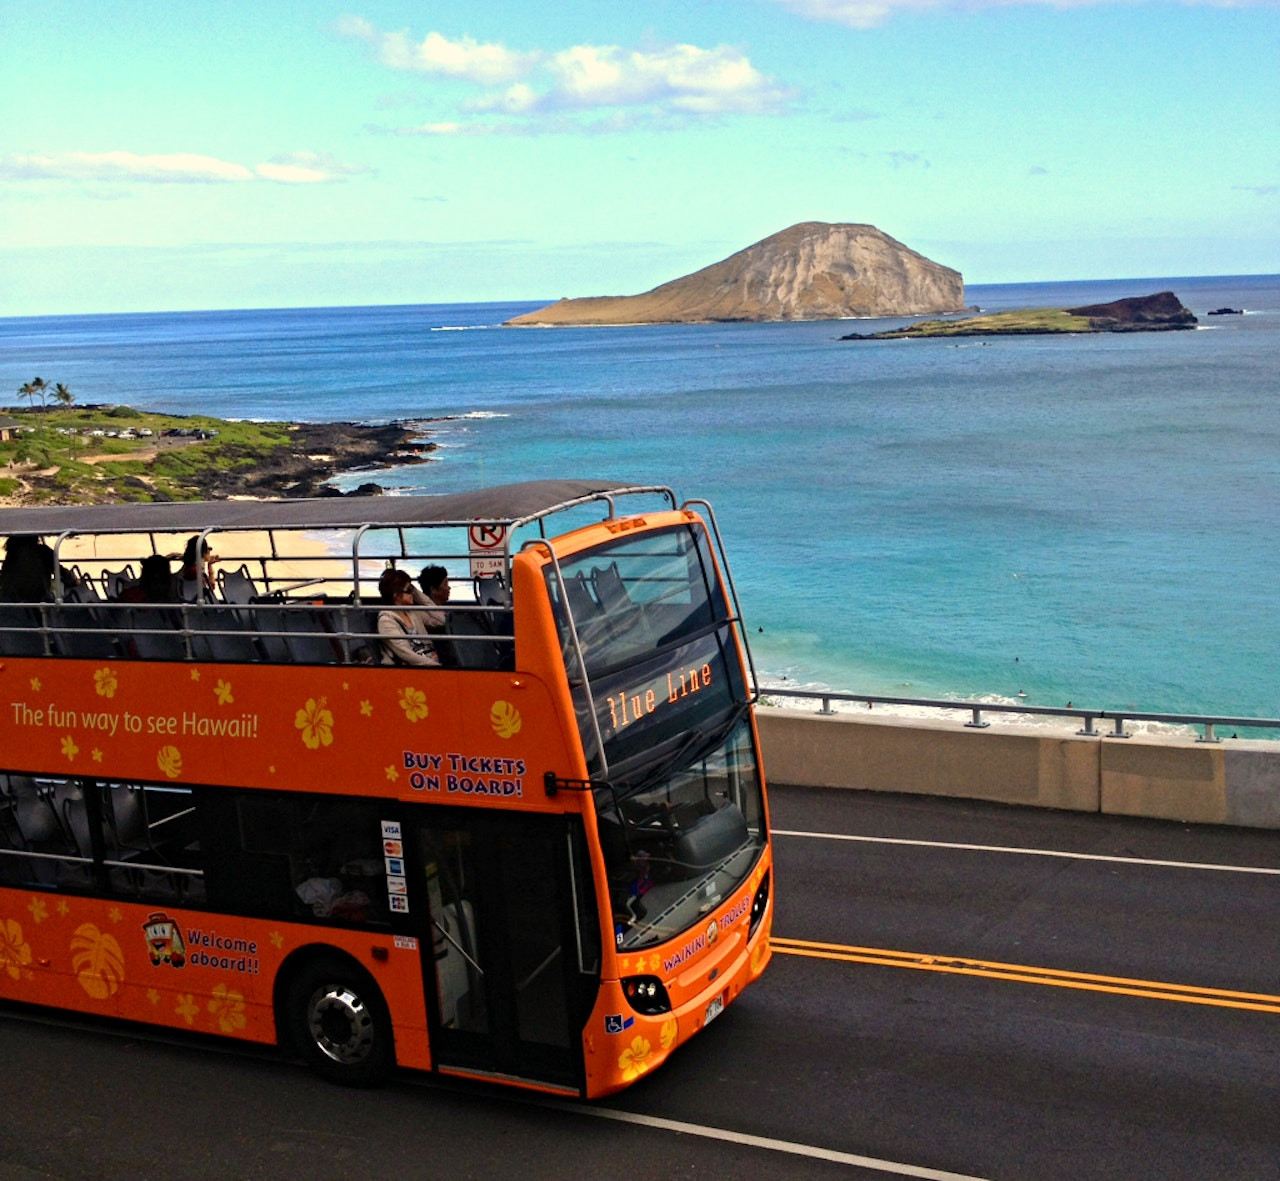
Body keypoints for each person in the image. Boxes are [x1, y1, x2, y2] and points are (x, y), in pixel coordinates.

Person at [377, 568, 442, 667]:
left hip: (430, 663)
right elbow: (407, 655)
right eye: (409, 590)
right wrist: (436, 666)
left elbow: (441, 619)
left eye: (412, 589)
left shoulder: (413, 613)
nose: (412, 593)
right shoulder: (386, 621)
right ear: (396, 595)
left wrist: (417, 594)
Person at [0, 535, 65, 602]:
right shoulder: (43, 551)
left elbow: (4, 575)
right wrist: (69, 578)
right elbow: (60, 571)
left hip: (10, 598)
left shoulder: (11, 553)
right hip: (37, 598)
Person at [176, 535, 217, 602]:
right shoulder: (196, 572)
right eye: (207, 550)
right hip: (198, 602)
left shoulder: (187, 568)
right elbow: (211, 587)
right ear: (203, 553)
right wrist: (210, 567)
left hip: (189, 601)